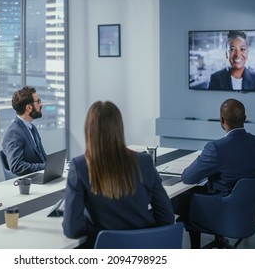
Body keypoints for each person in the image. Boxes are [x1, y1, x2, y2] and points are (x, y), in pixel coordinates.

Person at [63, 101, 175, 248]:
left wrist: (95, 228)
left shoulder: (80, 166)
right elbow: (167, 218)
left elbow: (72, 230)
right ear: (119, 129)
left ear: (88, 130)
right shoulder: (144, 162)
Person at [171, 98, 255, 248]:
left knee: (175, 198)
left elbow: (188, 177)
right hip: (245, 209)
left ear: (221, 120)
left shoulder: (216, 148)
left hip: (219, 208)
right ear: (245, 119)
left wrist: (202, 160)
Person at [2, 86, 47, 176]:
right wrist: (44, 167)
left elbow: (42, 158)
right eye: (38, 101)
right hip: (29, 182)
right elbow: (16, 166)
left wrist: (55, 166)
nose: (41, 105)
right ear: (29, 108)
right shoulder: (14, 133)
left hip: (42, 176)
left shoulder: (32, 128)